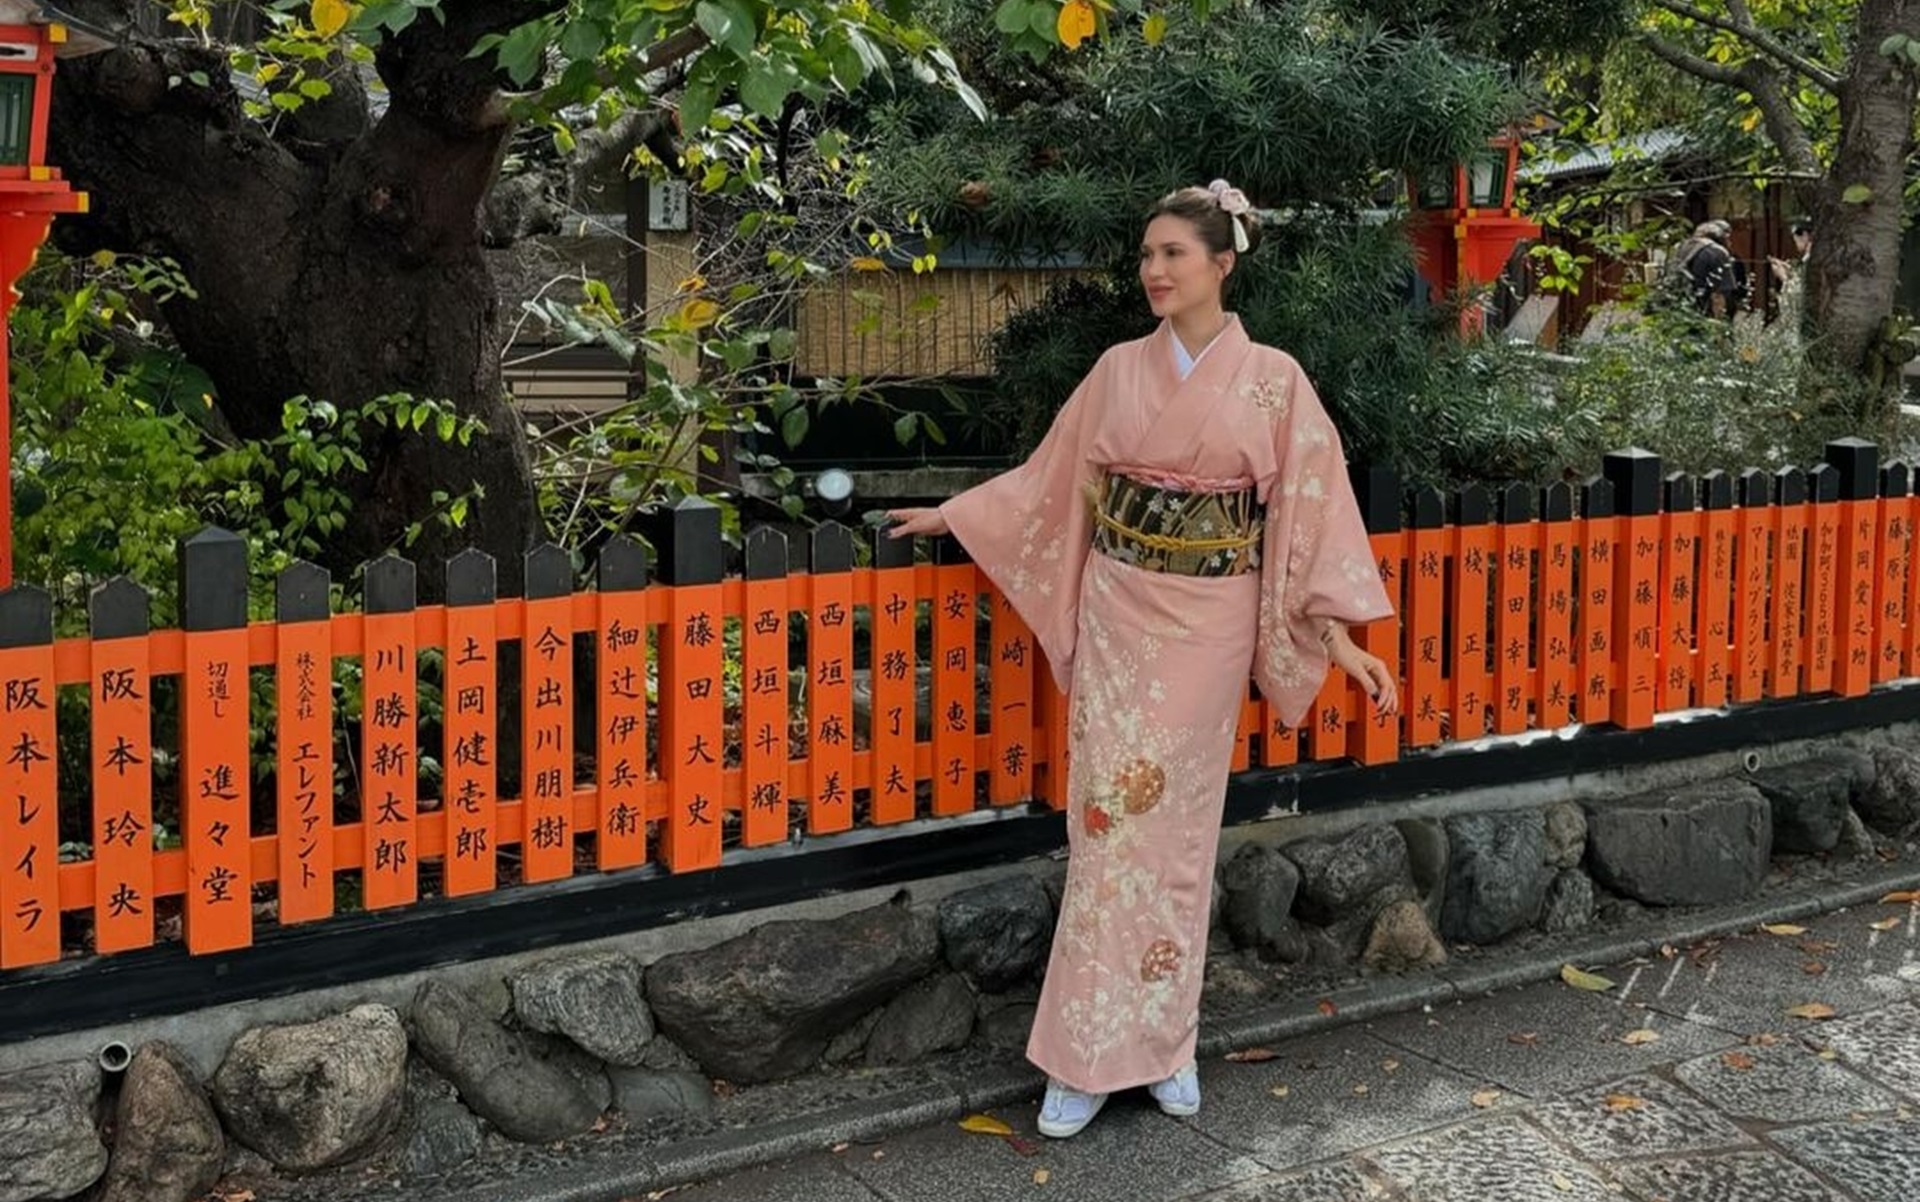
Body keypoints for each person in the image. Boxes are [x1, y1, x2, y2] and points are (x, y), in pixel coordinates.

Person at [886, 181, 1398, 1139]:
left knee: (1175, 843)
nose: (1154, 271)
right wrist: (955, 515)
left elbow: (1306, 523)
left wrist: (1335, 636)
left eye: (1173, 254)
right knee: (1108, 831)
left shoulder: (1274, 380)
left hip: (1210, 626)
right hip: (1123, 619)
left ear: (1222, 263)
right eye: (1147, 256)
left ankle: (1166, 1045)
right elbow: (1053, 483)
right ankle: (1082, 1056)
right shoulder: (1119, 369)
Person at [1661, 219, 1740, 319]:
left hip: (1678, 312)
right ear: (1722, 237)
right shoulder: (1717, 252)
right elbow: (1720, 294)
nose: (1730, 243)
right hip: (1705, 314)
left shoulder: (1679, 248)